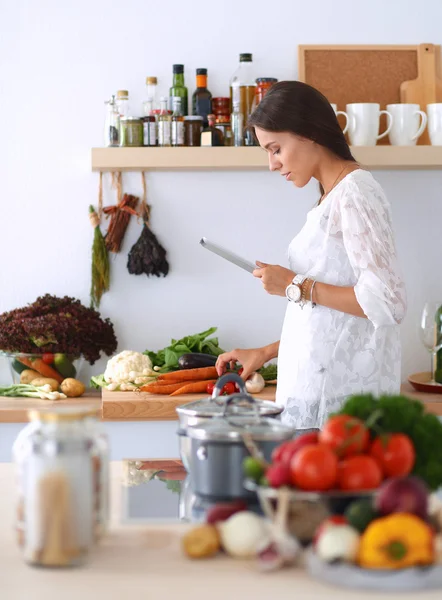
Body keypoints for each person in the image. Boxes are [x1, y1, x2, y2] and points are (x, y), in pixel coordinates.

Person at [215, 81, 407, 433]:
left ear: (308, 133)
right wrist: (268, 352)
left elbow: (387, 302)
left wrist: (294, 284)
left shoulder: (355, 193)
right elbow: (336, 323)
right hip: (321, 394)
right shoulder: (333, 195)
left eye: (275, 149)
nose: (272, 164)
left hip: (340, 406)